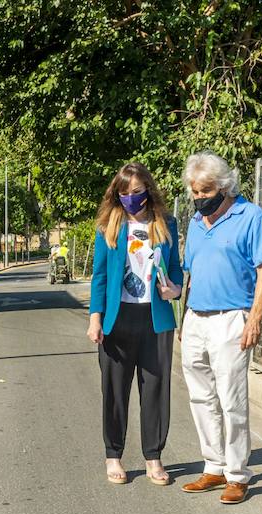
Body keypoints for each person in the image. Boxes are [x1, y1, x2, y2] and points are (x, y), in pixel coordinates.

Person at [178, 152, 262, 505]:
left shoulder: (250, 216)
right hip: (195, 318)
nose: (199, 198)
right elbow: (191, 271)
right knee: (200, 397)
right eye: (194, 191)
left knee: (231, 399)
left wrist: (255, 318)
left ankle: (237, 475)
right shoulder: (194, 222)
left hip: (232, 318)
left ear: (223, 186)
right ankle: (213, 466)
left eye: (205, 191)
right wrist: (183, 316)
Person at [87, 163, 183, 485]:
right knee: (114, 392)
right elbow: (99, 276)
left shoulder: (165, 223)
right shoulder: (108, 227)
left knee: (155, 390)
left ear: (148, 191)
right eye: (124, 193)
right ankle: (113, 456)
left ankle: (154, 458)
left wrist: (175, 289)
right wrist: (95, 318)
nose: (131, 198)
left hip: (155, 320)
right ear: (117, 194)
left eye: (137, 192)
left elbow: (176, 270)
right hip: (117, 320)